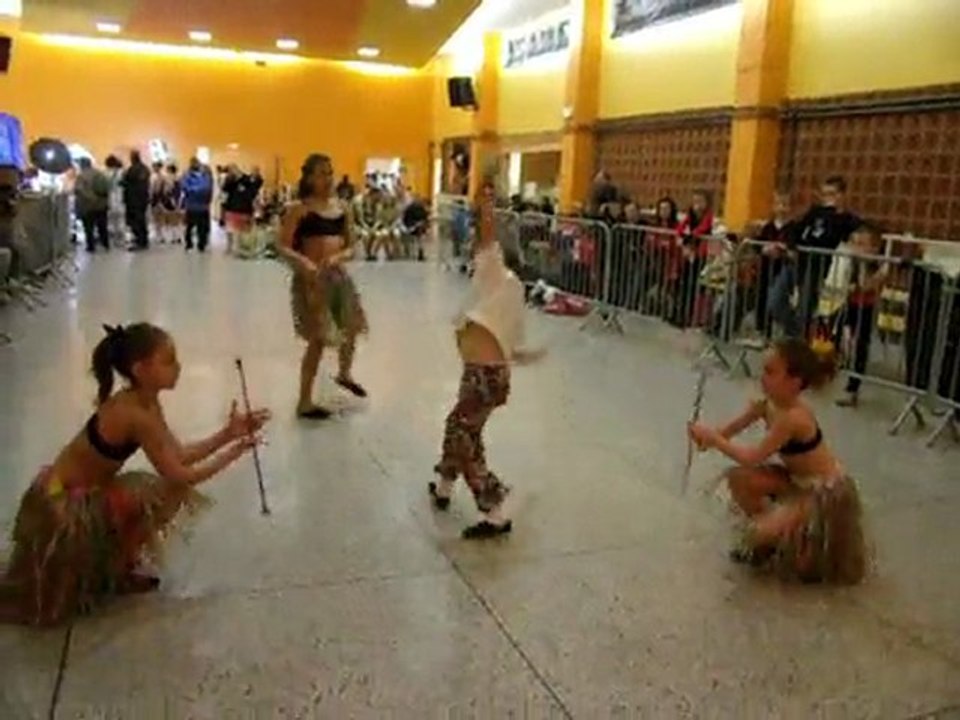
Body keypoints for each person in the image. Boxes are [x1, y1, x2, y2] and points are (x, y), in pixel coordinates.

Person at [0, 323, 270, 626]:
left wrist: (228, 434)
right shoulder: (135, 414)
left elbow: (177, 454)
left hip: (80, 493)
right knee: (164, 493)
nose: (178, 367)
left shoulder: (145, 401)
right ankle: (115, 571)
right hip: (62, 506)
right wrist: (231, 454)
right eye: (168, 361)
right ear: (140, 369)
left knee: (153, 490)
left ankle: (117, 567)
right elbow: (179, 475)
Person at [688, 338, 866, 584]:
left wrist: (714, 440)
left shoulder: (793, 418)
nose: (763, 378)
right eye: (764, 371)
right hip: (797, 481)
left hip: (822, 492)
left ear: (795, 382)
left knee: (767, 537)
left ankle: (787, 536)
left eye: (771, 372)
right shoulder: (766, 405)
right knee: (738, 479)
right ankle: (772, 538)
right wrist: (705, 436)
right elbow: (727, 431)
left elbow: (752, 457)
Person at [429, 180, 546, 540]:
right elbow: (515, 342)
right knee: (462, 428)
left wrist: (485, 205)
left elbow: (486, 236)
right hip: (489, 375)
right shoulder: (508, 289)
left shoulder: (497, 275)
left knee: (463, 435)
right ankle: (444, 486)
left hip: (482, 376)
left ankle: (494, 510)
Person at [277, 153, 368, 420]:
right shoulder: (299, 210)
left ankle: (344, 372)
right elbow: (281, 245)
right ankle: (304, 400)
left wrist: (339, 257)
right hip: (312, 281)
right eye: (320, 173)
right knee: (317, 339)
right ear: (308, 177)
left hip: (337, 277)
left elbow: (352, 245)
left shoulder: (342, 208)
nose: (327, 178)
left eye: (330, 172)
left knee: (351, 326)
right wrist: (303, 262)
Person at [768, 176, 860, 338]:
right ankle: (795, 334)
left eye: (832, 194)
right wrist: (791, 246)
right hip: (797, 261)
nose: (828, 199)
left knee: (805, 309)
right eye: (825, 194)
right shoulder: (815, 211)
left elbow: (841, 236)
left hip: (817, 266)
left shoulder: (848, 220)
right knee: (775, 301)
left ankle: (798, 341)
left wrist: (834, 213)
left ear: (842, 195)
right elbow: (796, 228)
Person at [835, 224, 888, 407]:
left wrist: (863, 267)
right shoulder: (854, 263)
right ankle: (840, 359)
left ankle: (853, 388)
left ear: (873, 248)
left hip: (867, 308)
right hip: (851, 304)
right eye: (855, 243)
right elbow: (848, 285)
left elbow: (866, 285)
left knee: (860, 346)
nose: (856, 248)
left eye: (861, 244)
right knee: (836, 330)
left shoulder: (881, 265)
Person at [74, 157, 111, 253]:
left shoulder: (81, 176)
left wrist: (90, 198)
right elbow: (106, 189)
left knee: (89, 228)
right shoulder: (100, 174)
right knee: (102, 226)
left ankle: (91, 246)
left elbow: (79, 190)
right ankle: (105, 244)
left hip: (87, 206)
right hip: (101, 205)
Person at [181, 158, 214, 252]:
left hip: (203, 206)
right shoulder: (186, 175)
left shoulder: (205, 175)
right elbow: (185, 187)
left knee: (202, 227)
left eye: (196, 163)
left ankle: (201, 245)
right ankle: (189, 244)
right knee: (189, 227)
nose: (195, 165)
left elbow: (207, 188)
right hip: (191, 205)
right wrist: (197, 190)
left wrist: (194, 190)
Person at [121, 151, 151, 251]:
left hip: (133, 199)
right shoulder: (145, 169)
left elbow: (125, 182)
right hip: (143, 198)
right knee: (142, 220)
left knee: (135, 221)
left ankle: (139, 241)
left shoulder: (132, 169)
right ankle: (144, 240)